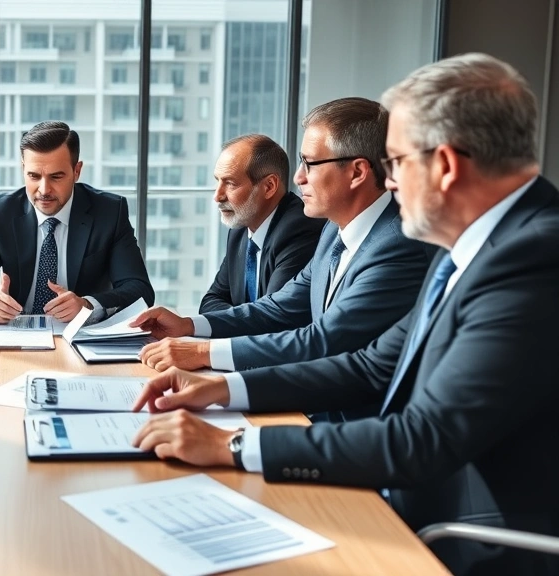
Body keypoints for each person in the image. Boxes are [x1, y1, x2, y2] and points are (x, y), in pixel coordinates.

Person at [131, 53, 559, 576]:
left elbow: (421, 440)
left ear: (444, 165)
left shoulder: (531, 260)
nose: (390, 183)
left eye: (397, 163)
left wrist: (232, 443)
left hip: (467, 535)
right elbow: (373, 364)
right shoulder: (472, 245)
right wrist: (221, 388)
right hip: (413, 496)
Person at [133, 98, 435, 387]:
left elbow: (324, 341)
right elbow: (279, 308)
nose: (299, 177)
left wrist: (202, 353)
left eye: (311, 163)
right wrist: (188, 326)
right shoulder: (333, 230)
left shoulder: (398, 245)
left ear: (357, 172)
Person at [0, 121, 153, 324]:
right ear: (23, 169)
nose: (44, 189)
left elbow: (139, 289)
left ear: (77, 171)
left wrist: (88, 305)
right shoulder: (0, 212)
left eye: (56, 177)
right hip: (15, 333)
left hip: (81, 335)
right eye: (34, 176)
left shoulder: (109, 212)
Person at [199, 134, 324, 313]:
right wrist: (240, 316)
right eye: (218, 181)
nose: (217, 196)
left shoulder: (300, 229)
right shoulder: (240, 229)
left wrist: (232, 317)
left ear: (269, 186)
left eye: (231, 184)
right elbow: (210, 301)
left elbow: (272, 317)